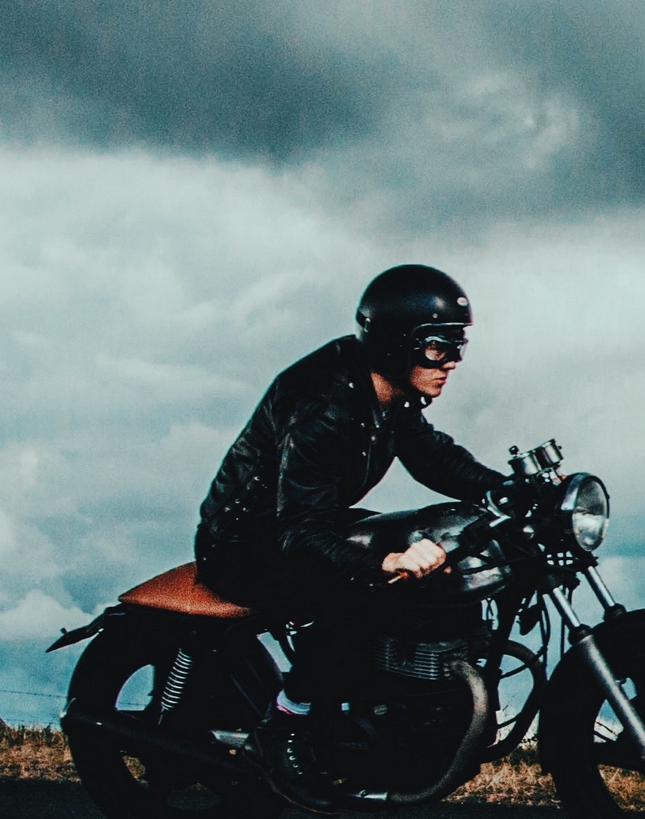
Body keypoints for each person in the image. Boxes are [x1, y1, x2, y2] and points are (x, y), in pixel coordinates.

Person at [195, 264, 508, 708]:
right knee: (364, 591)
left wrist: (510, 489)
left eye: (458, 346)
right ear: (397, 346)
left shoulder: (386, 391)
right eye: (438, 348)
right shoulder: (322, 407)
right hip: (244, 544)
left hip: (306, 521)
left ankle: (403, 707)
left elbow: (433, 458)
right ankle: (295, 714)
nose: (452, 361)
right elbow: (300, 534)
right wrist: (385, 562)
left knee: (437, 567)